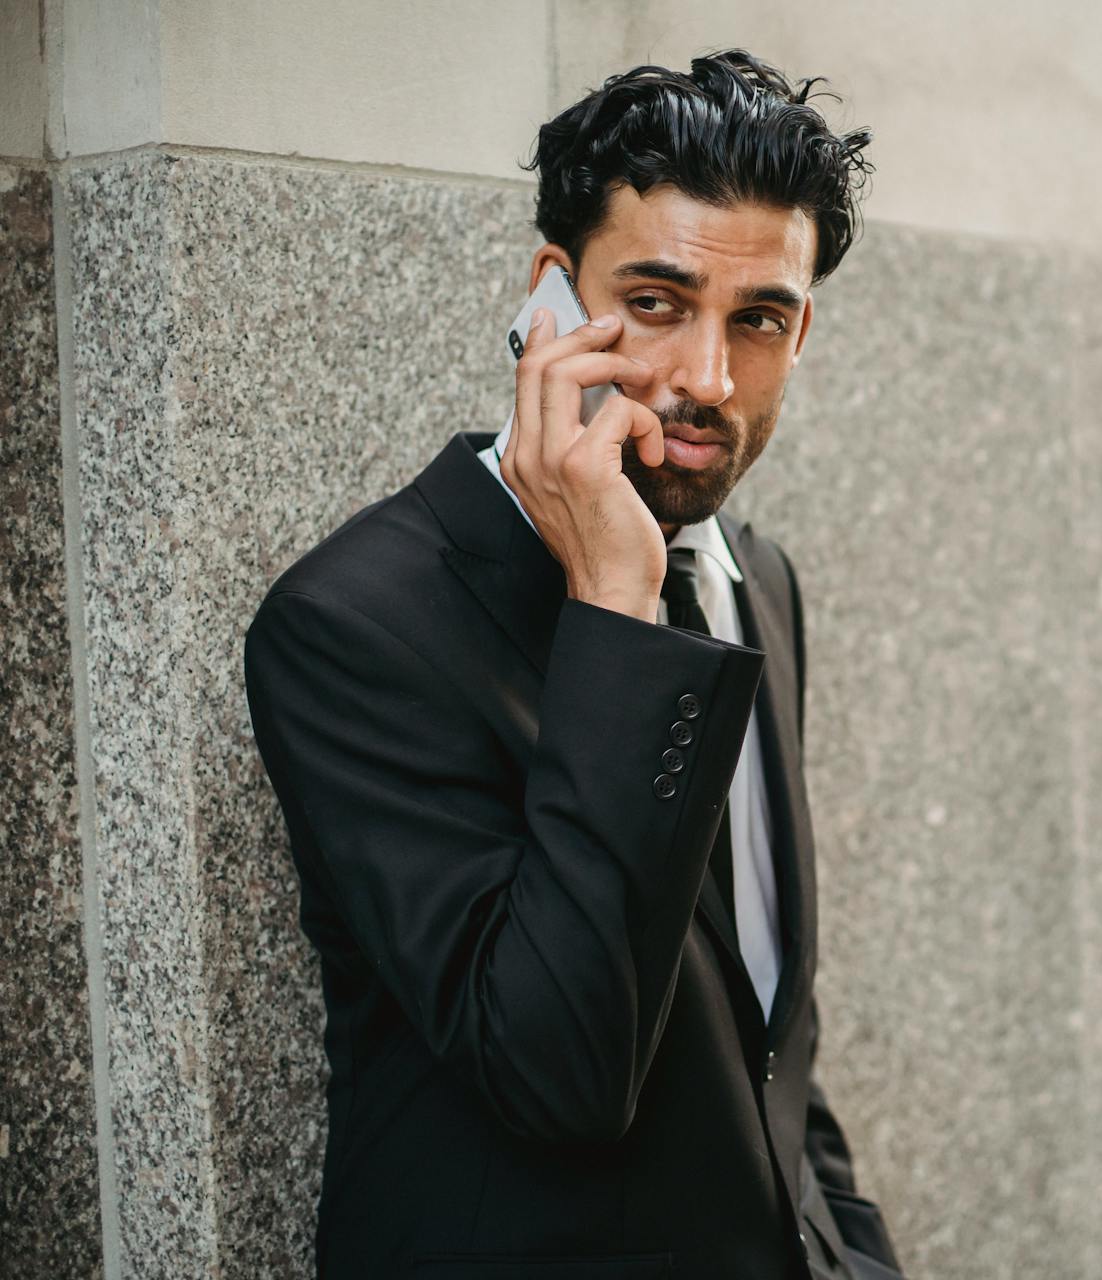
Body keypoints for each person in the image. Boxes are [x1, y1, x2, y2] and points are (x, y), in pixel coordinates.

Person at [243, 50, 903, 1280]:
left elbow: (766, 1032)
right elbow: (559, 1069)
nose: (707, 380)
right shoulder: (352, 625)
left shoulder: (755, 575)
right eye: (655, 301)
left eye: (757, 319)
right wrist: (615, 602)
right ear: (551, 299)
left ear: (800, 331)